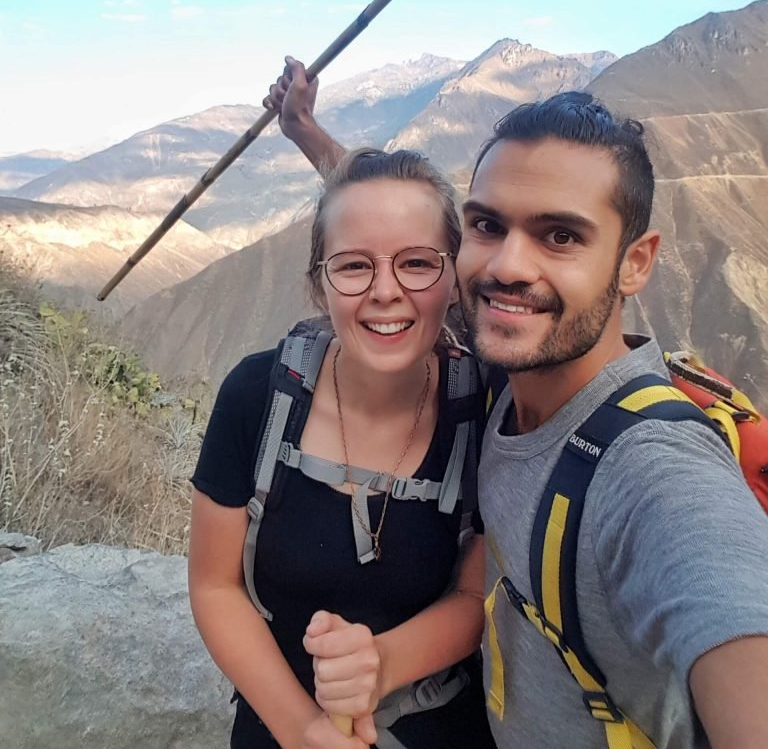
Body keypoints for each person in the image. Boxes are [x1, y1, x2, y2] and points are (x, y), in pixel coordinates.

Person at [267, 57, 768, 749]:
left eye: (560, 235)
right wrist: (308, 135)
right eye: (489, 225)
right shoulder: (506, 375)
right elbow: (385, 231)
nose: (508, 265)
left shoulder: (655, 475)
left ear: (637, 261)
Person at [188, 145, 497, 749]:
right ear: (318, 283)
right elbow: (214, 585)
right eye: (354, 266)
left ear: (454, 276)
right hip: (279, 718)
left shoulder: (483, 413)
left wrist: (379, 663)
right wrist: (302, 731)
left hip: (435, 721)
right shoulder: (257, 396)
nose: (386, 291)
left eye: (416, 263)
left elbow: (473, 593)